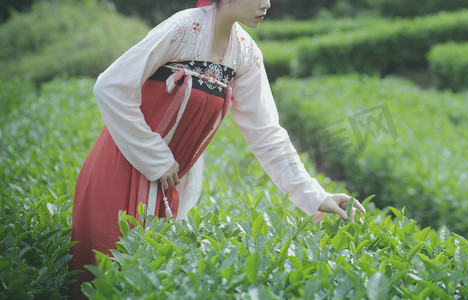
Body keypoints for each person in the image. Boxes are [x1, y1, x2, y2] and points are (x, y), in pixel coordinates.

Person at [70, 0, 366, 297]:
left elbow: (267, 135)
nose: (267, 3)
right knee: (106, 283)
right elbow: (110, 86)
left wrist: (316, 196)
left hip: (168, 184)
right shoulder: (184, 28)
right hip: (120, 169)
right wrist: (156, 158)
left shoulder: (246, 54)